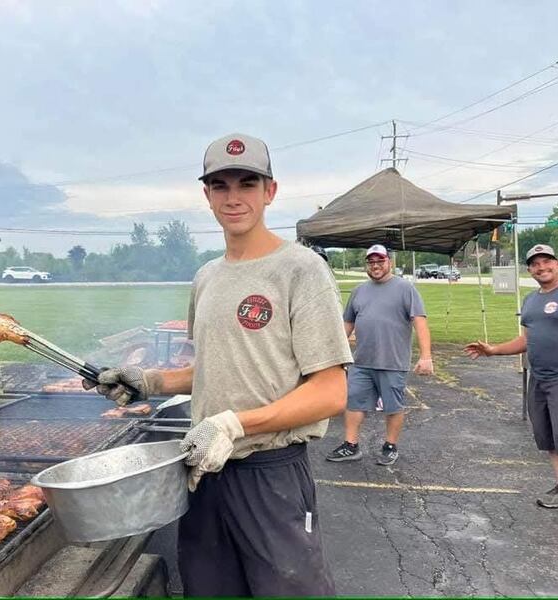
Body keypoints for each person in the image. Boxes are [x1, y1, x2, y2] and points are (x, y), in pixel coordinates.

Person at [84, 132, 353, 596]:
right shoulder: (207, 277)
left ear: (270, 191)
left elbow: (330, 391)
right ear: (206, 195)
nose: (234, 197)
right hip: (204, 469)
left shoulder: (301, 270)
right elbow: (216, 368)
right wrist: (149, 381)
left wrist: (234, 424)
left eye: (247, 183)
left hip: (269, 475)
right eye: (221, 185)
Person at [465, 244, 558, 508]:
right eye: (535, 264)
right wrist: (493, 351)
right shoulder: (530, 300)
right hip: (540, 378)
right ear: (529, 269)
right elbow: (526, 339)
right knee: (547, 435)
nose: (541, 267)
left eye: (546, 261)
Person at [326, 244, 434, 466]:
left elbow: (420, 322)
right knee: (354, 402)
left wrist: (426, 356)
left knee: (392, 406)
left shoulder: (405, 289)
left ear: (389, 263)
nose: (375, 266)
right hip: (362, 361)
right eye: (371, 262)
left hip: (392, 362)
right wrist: (335, 352)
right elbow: (347, 323)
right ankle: (350, 445)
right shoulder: (359, 291)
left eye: (380, 261)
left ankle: (390, 446)